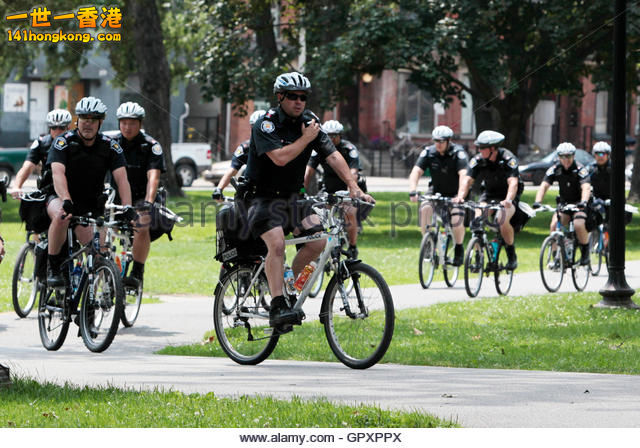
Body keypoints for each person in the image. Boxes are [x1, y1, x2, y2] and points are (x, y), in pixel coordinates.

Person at [244, 71, 373, 329]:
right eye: (292, 96)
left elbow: (333, 155)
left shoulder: (310, 122)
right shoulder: (266, 124)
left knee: (319, 242)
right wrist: (305, 139)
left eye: (303, 97)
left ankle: (289, 284)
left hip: (294, 198)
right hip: (261, 199)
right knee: (277, 244)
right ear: (280, 97)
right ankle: (277, 304)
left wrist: (352, 185)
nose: (299, 101)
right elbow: (280, 158)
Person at [45, 96, 135, 287]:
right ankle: (53, 267)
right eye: (84, 119)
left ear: (100, 122)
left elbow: (122, 179)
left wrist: (127, 207)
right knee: (62, 216)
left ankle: (90, 304)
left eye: (93, 120)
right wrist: (66, 199)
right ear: (77, 120)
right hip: (60, 197)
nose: (88, 124)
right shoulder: (64, 142)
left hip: (90, 203)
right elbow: (57, 173)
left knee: (98, 254)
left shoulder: (110, 146)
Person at [111, 101, 166, 287]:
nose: (127, 127)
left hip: (142, 197)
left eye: (132, 123)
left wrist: (148, 203)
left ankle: (137, 271)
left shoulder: (150, 145)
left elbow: (153, 177)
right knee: (100, 226)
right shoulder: (111, 144)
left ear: (140, 124)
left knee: (142, 224)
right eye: (124, 122)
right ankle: (103, 266)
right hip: (116, 197)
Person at [454, 130, 522, 270]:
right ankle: (479, 256)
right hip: (489, 194)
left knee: (501, 219)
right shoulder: (478, 160)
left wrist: (508, 200)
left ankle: (511, 253)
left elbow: (513, 183)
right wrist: (460, 196)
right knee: (477, 220)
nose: (479, 150)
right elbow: (467, 181)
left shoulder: (508, 159)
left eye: (482, 147)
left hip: (508, 197)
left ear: (493, 148)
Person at [408, 125, 468, 266]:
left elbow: (463, 175)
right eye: (436, 141)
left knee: (457, 217)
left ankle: (459, 247)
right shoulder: (429, 152)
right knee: (425, 208)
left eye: (441, 141)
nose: (438, 144)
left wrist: (460, 195)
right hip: (436, 190)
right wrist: (413, 190)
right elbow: (416, 172)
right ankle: (428, 243)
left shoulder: (458, 153)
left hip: (455, 192)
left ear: (448, 141)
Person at [303, 119, 361, 258]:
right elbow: (308, 171)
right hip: (329, 187)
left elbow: (353, 173)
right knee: (320, 215)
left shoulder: (349, 149)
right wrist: (302, 191)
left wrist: (351, 191)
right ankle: (325, 243)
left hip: (346, 187)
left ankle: (353, 246)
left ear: (340, 135)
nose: (331, 138)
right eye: (328, 135)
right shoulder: (319, 150)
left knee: (350, 212)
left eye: (334, 135)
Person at [532, 142, 591, 265]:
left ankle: (585, 254)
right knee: (554, 226)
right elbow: (544, 186)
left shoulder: (580, 169)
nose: (566, 160)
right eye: (563, 156)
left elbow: (586, 187)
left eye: (569, 156)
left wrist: (584, 202)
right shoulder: (555, 169)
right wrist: (538, 202)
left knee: (579, 224)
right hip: (564, 204)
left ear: (573, 156)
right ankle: (556, 258)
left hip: (579, 203)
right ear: (559, 157)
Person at [12, 109, 72, 198]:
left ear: (68, 127)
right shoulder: (42, 143)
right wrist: (17, 186)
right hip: (50, 191)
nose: (57, 131)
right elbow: (28, 167)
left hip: (74, 188)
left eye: (62, 127)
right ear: (49, 128)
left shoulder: (75, 142)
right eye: (54, 127)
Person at [212, 109, 266, 200]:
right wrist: (219, 189)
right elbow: (232, 170)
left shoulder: (279, 146)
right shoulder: (246, 147)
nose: (258, 131)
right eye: (254, 127)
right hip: (252, 191)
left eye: (262, 127)